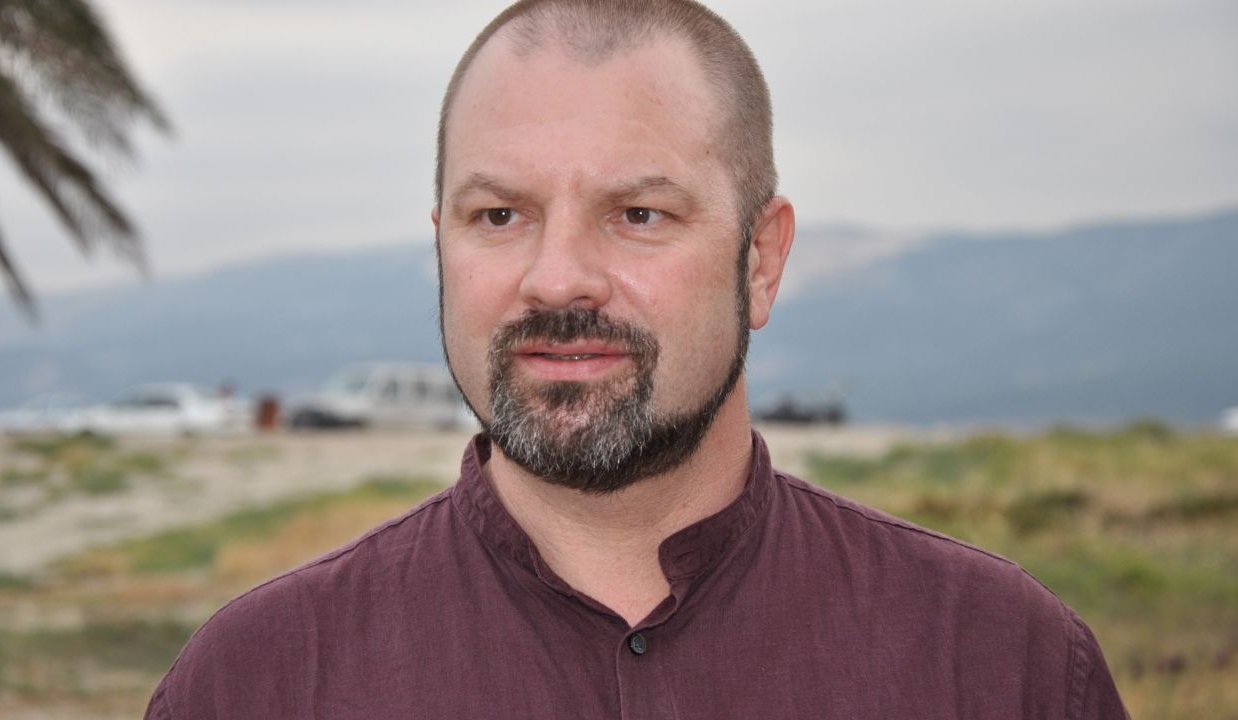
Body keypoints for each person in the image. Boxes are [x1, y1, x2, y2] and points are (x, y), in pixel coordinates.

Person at [145, 1, 1129, 717]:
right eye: (500, 216)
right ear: (440, 242)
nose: (557, 279)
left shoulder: (998, 665)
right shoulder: (257, 684)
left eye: (639, 214)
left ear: (761, 259)